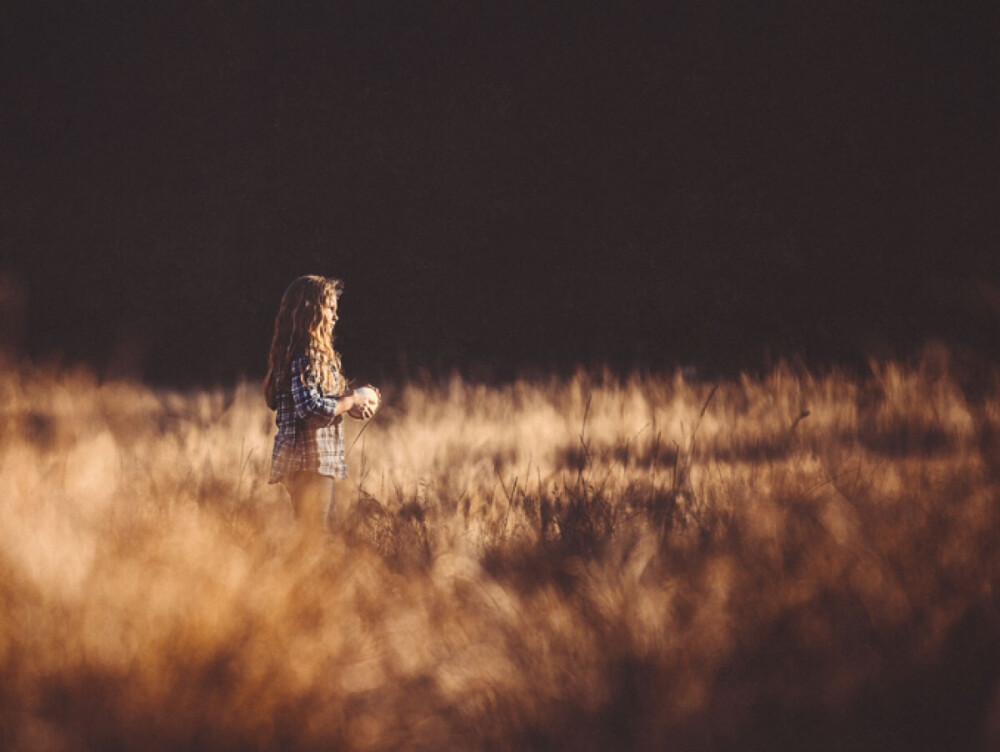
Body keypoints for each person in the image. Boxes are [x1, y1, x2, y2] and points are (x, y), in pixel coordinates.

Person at [263, 275, 377, 530]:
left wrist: (354, 401)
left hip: (311, 462)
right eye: (331, 309)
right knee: (318, 538)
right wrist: (349, 400)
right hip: (308, 463)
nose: (336, 317)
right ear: (310, 312)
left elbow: (316, 400)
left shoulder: (300, 355)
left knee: (323, 533)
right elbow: (310, 408)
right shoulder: (305, 357)